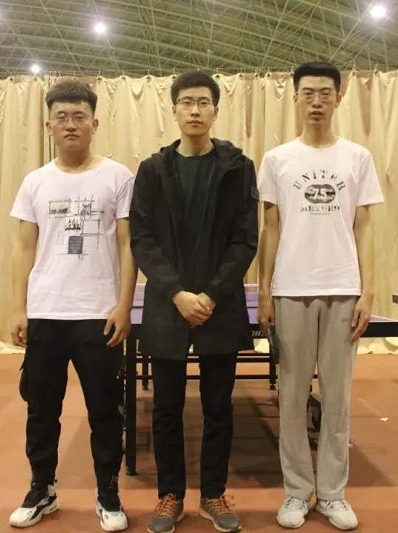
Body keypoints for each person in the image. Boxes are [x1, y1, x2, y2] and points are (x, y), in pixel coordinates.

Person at [129, 70, 258, 533]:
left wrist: (210, 294)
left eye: (204, 102)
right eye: (187, 102)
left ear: (216, 110)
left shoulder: (239, 167)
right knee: (166, 407)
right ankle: (170, 495)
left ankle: (213, 493)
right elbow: (142, 240)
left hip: (219, 304)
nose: (195, 110)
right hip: (169, 304)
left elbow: (245, 240)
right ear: (175, 110)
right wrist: (178, 293)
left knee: (219, 406)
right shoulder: (152, 169)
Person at [257, 61, 384, 531]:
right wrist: (265, 291)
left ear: (338, 97)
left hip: (343, 290)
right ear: (295, 97)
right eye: (308, 93)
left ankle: (332, 494)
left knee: (337, 398)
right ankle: (296, 491)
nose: (316, 101)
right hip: (291, 289)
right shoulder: (277, 159)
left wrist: (368, 290)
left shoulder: (357, 157)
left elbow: (364, 226)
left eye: (325, 93)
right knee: (291, 396)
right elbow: (270, 228)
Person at [8, 80, 136, 532]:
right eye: (61, 117)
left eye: (79, 116)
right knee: (41, 410)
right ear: (49, 126)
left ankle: (108, 493)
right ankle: (41, 488)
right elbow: (24, 248)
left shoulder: (118, 177)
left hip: (98, 314)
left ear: (94, 123)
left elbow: (128, 245)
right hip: (46, 313)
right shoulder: (35, 182)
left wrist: (124, 304)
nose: (70, 125)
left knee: (105, 410)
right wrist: (19, 308)